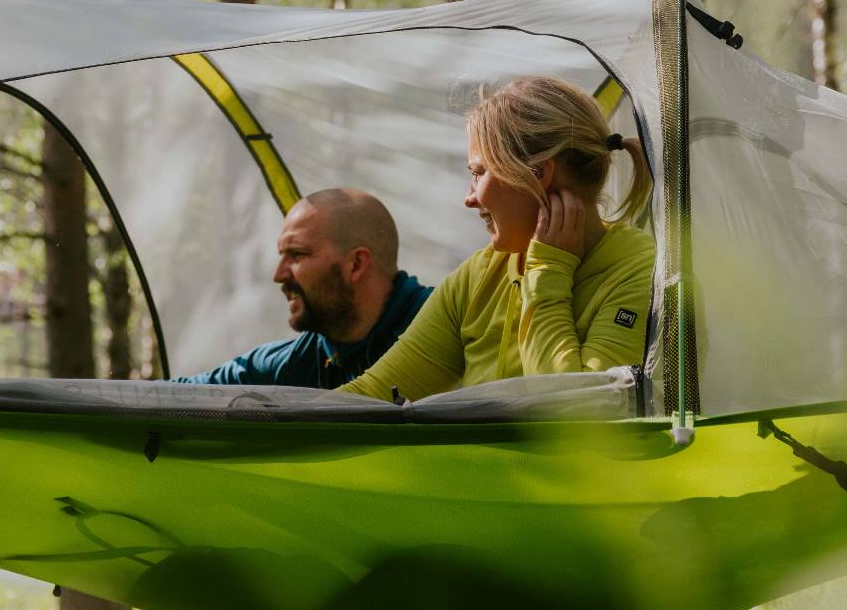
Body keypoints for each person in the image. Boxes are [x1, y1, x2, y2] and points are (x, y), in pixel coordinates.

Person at [340, 75, 653, 402]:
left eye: (478, 173)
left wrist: (548, 273)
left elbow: (576, 414)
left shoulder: (638, 271)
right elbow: (371, 395)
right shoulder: (477, 275)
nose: (469, 198)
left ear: (539, 174)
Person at [176, 188, 432, 389]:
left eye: (297, 254)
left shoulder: (449, 327)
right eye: (282, 255)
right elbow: (177, 398)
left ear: (355, 264)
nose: (279, 275)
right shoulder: (293, 363)